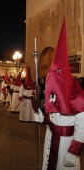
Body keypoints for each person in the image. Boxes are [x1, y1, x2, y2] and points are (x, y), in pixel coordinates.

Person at [36, 18, 84, 170]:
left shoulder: (77, 96)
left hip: (66, 142)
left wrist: (73, 151)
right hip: (51, 136)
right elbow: (54, 118)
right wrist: (43, 119)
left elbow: (82, 126)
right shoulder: (54, 93)